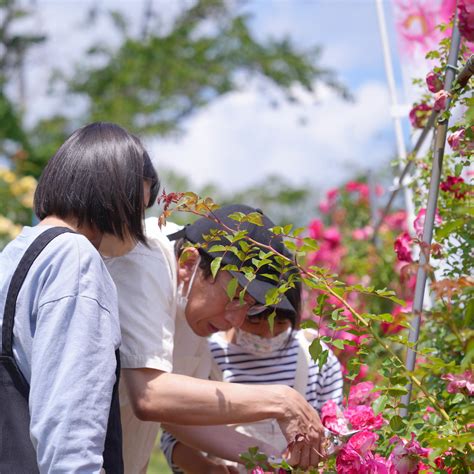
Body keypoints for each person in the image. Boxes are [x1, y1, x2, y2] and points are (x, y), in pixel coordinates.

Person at [102, 204, 327, 474]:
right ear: (188, 263)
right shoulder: (147, 258)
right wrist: (280, 401)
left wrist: (273, 459)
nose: (237, 320)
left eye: (252, 306)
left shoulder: (197, 310)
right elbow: (149, 395)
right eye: (234, 297)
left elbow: (178, 415)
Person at [0, 122, 157, 473]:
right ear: (115, 196)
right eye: (139, 209)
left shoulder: (14, 255)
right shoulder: (75, 259)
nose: (138, 228)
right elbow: (70, 426)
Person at [160, 280, 344, 473]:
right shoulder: (207, 355)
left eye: (280, 322)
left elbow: (335, 429)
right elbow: (173, 434)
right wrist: (206, 468)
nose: (267, 332)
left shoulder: (313, 357)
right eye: (254, 321)